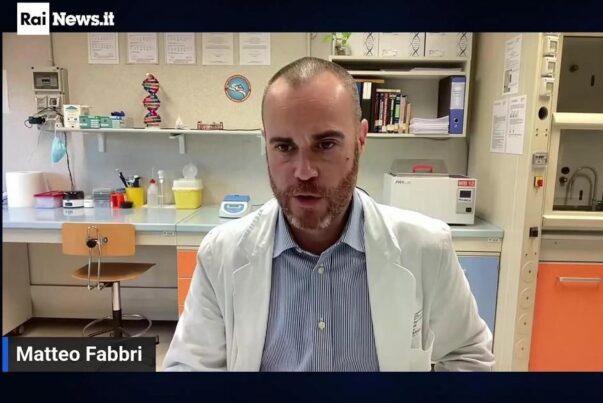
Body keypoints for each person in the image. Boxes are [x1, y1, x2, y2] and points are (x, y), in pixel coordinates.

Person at [162, 57, 494, 371]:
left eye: (325, 145)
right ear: (266, 143)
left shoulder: (425, 248)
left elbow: (467, 353)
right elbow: (190, 367)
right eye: (284, 147)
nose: (304, 171)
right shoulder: (221, 254)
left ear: (360, 139)